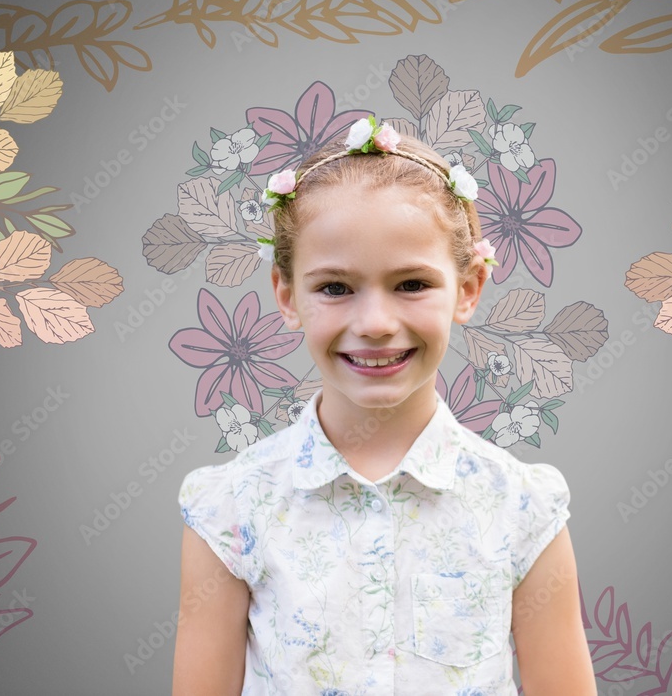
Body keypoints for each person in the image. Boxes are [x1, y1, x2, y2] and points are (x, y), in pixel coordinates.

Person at [172, 116, 596, 695]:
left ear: (468, 288)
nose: (374, 324)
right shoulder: (231, 510)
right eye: (336, 288)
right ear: (287, 294)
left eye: (412, 284)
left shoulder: (523, 509)